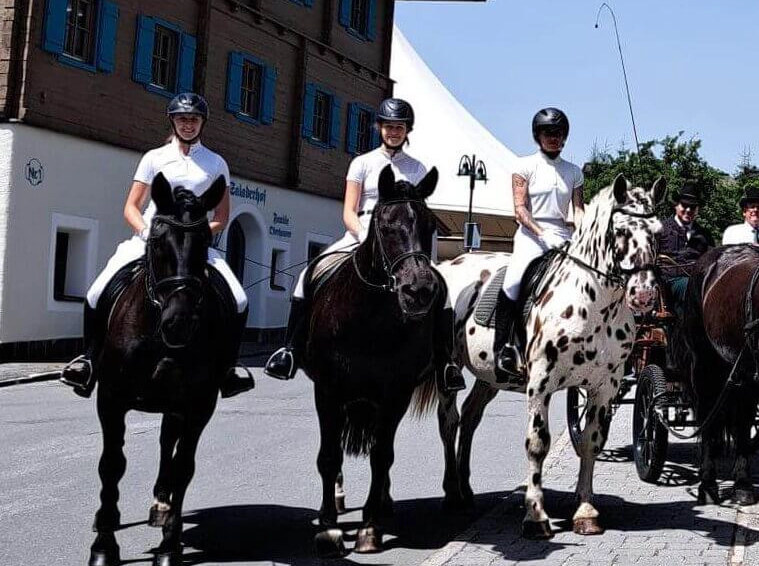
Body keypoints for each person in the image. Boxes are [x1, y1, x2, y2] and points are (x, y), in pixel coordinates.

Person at [60, 93, 255, 399]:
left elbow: (222, 215)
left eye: (193, 120)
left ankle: (229, 369)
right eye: (182, 119)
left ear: (202, 123)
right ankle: (88, 361)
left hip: (194, 245)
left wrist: (200, 234)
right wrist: (148, 232)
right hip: (150, 238)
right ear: (173, 121)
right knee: (97, 290)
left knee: (239, 298)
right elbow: (131, 207)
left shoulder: (216, 163)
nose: (188, 125)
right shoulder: (154, 157)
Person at [264, 98, 465, 390]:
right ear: (379, 128)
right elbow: (349, 209)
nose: (393, 132)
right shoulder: (362, 163)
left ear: (407, 130)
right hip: (362, 232)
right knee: (306, 276)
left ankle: (445, 363)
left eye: (399, 127)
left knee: (441, 291)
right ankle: (290, 350)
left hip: (403, 241)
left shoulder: (417, 168)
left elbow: (417, 215)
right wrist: (362, 236)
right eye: (388, 127)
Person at [493, 107, 584, 379]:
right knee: (514, 281)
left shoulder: (574, 171)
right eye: (547, 133)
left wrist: (583, 228)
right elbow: (519, 209)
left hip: (564, 235)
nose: (553, 138)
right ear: (538, 135)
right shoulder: (524, 166)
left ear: (564, 136)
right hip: (531, 234)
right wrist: (541, 232)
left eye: (557, 133)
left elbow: (577, 209)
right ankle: (504, 349)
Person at [657, 180, 712, 265]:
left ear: (698, 210)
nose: (688, 210)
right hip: (665, 277)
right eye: (684, 205)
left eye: (693, 207)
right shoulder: (659, 229)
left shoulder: (706, 236)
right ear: (676, 205)